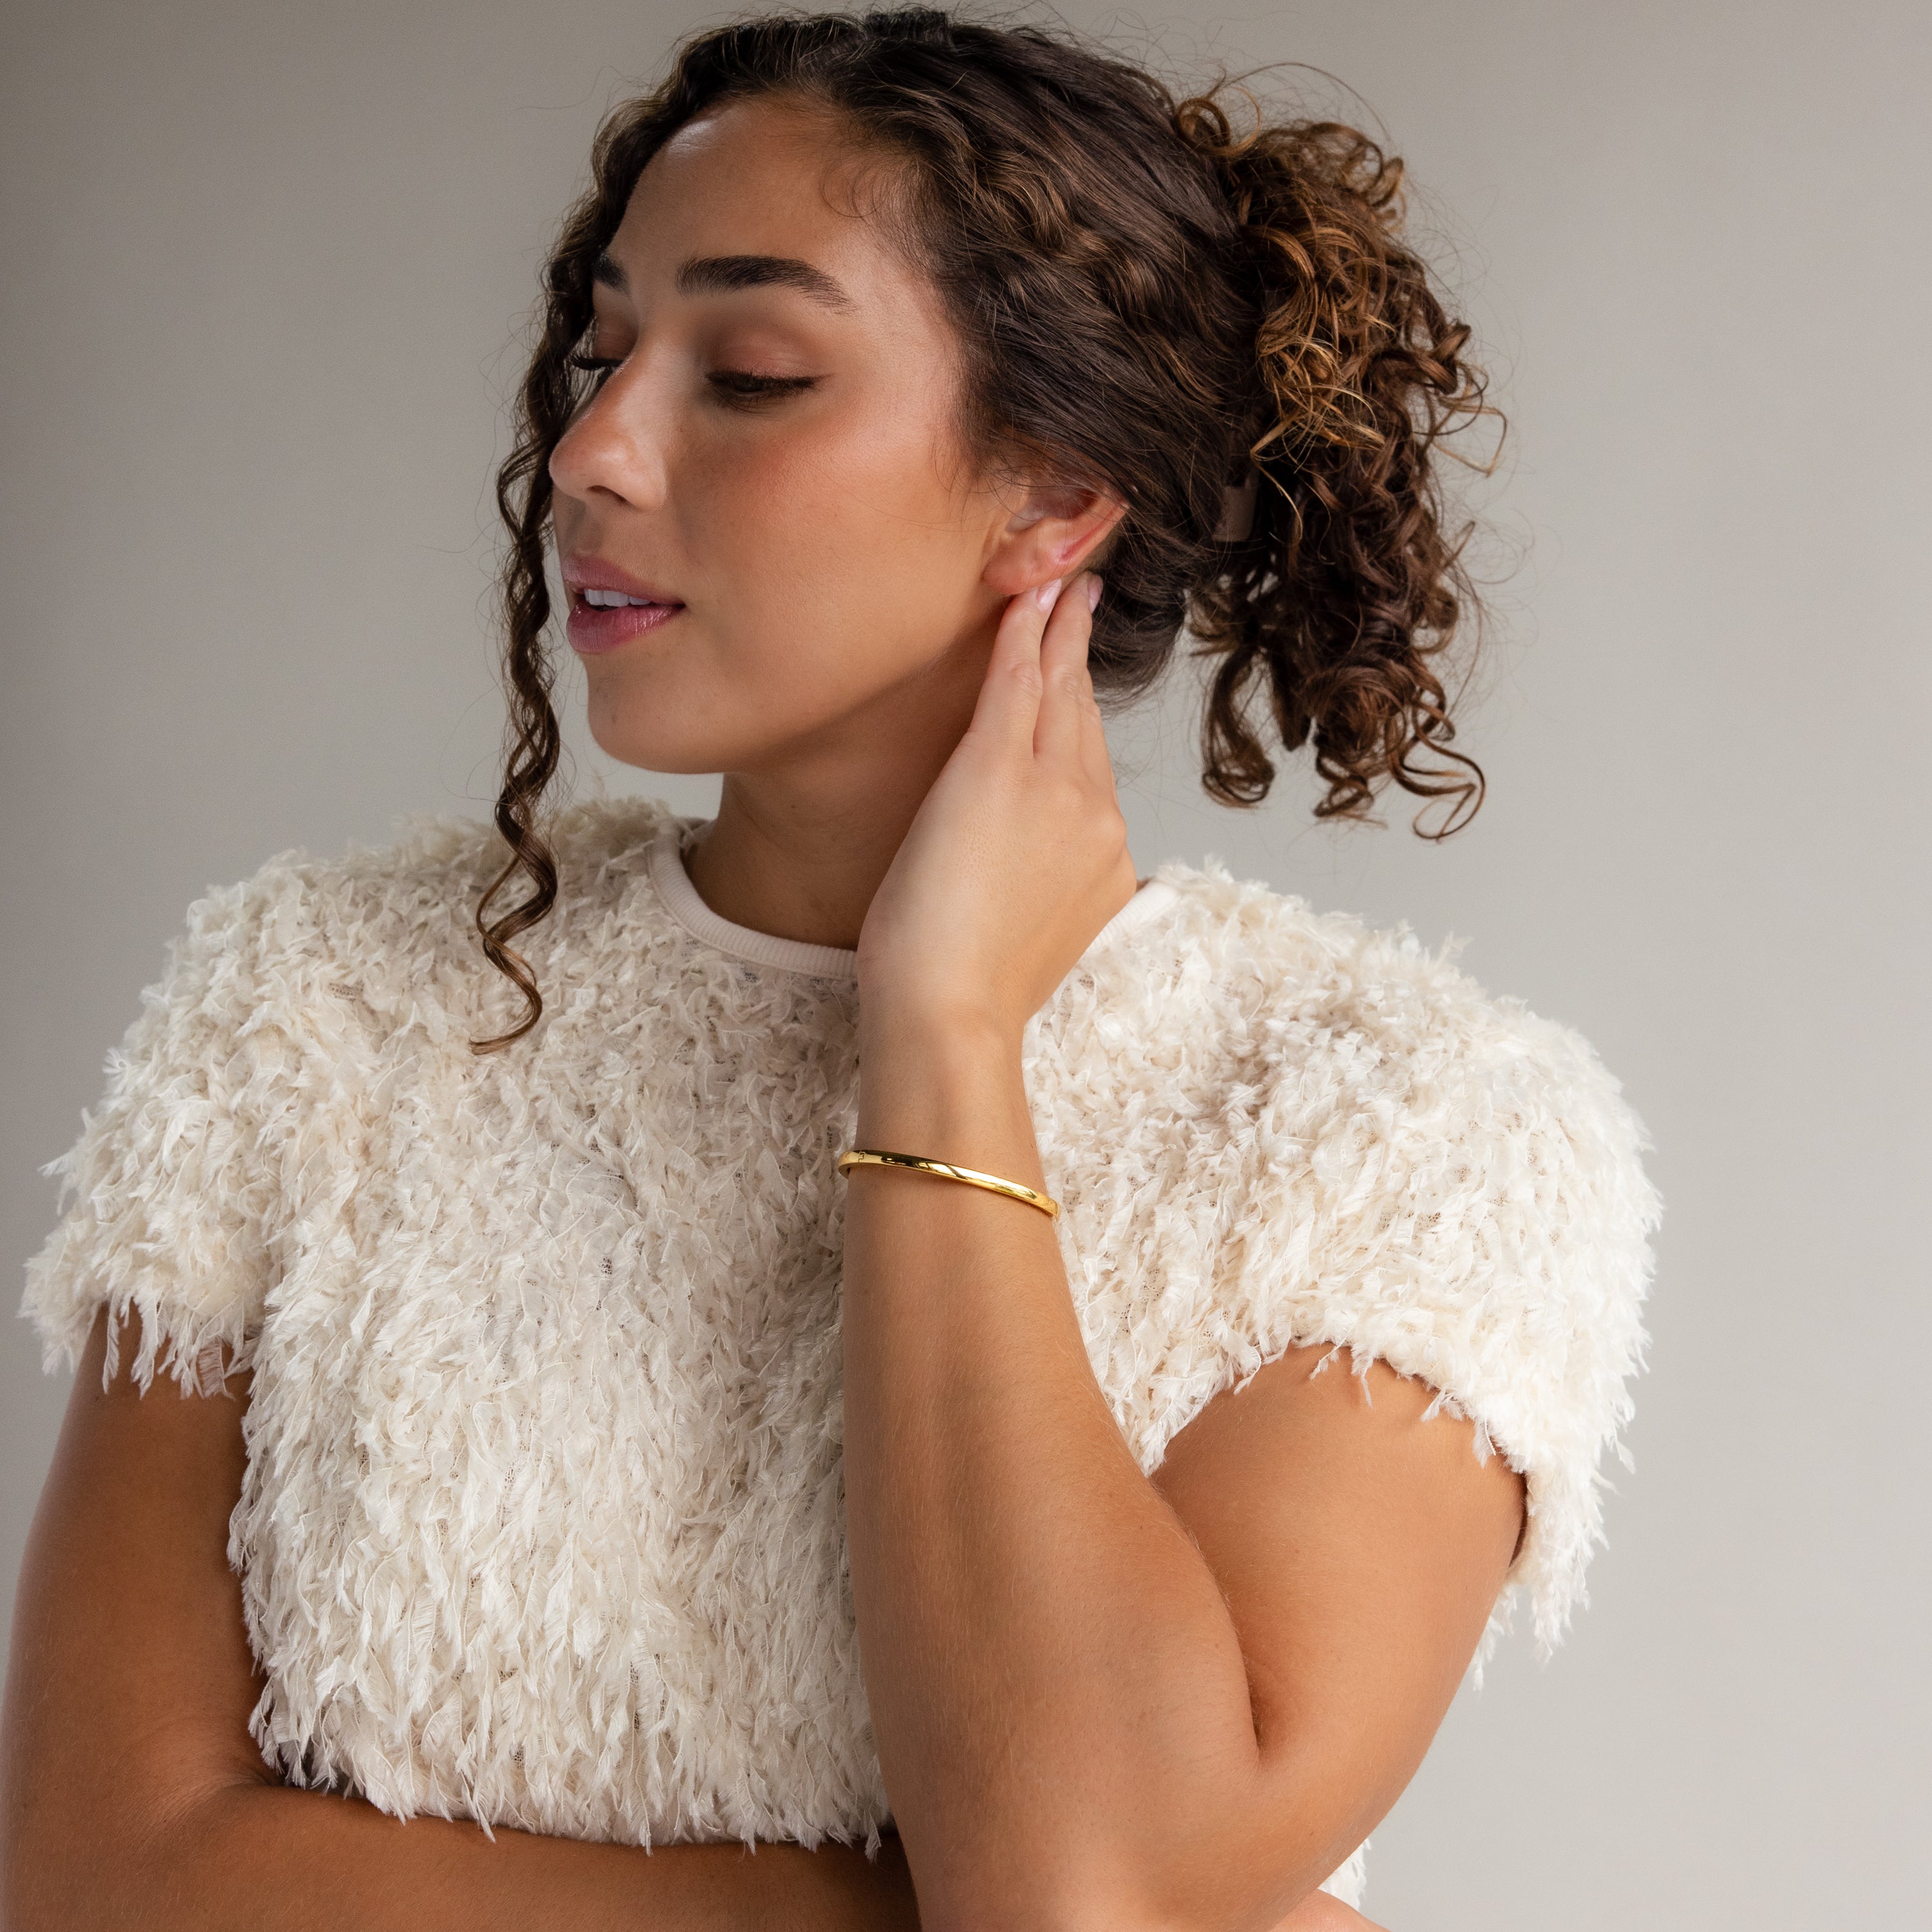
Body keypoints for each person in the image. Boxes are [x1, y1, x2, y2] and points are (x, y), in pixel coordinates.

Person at [1, 10, 1658, 1928]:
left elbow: (1089, 1883)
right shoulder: (317, 1000)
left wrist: (942, 1031)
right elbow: (100, 1876)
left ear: (1054, 491)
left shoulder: (1412, 1129)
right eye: (603, 349)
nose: (593, 452)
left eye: (756, 371)